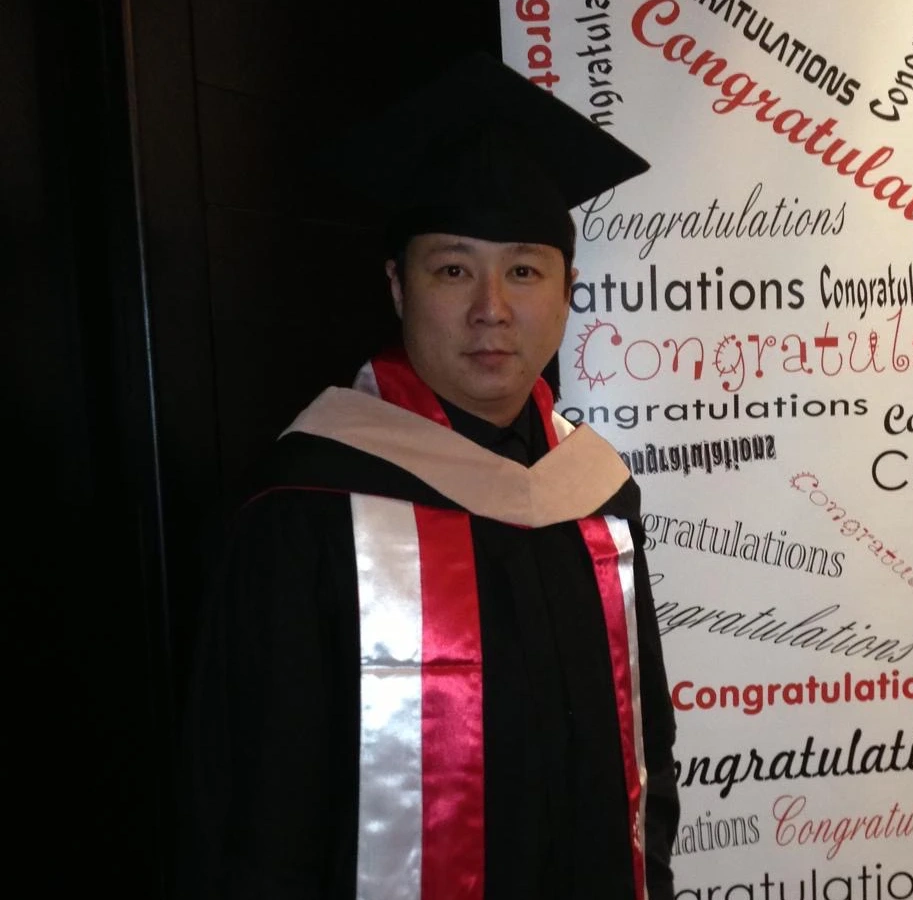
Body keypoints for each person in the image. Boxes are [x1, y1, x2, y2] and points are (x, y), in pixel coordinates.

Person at [175, 53, 679, 900]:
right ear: (397, 287)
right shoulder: (308, 507)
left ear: (567, 293)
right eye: (453, 270)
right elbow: (251, 801)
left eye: (524, 270)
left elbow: (646, 749)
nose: (493, 307)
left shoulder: (595, 496)